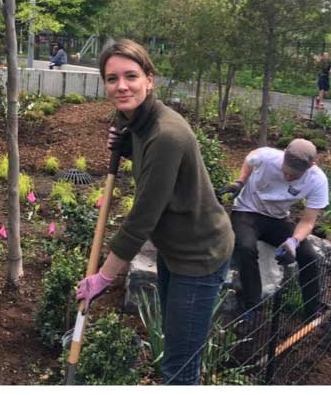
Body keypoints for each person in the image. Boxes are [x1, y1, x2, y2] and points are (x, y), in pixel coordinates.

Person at [75, 39, 234, 385]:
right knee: (181, 348)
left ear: (150, 79)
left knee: (179, 364)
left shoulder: (165, 134)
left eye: (130, 76)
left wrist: (104, 276)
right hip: (174, 249)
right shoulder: (139, 120)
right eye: (111, 78)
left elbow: (143, 217)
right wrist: (127, 144)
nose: (121, 86)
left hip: (199, 255)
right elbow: (152, 164)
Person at [221, 140, 328, 320]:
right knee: (246, 248)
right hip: (247, 211)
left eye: (294, 176)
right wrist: (240, 182)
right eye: (286, 171)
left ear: (311, 166)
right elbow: (250, 159)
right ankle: (253, 307)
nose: (288, 177)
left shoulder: (317, 180)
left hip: (277, 219)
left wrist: (294, 241)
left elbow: (308, 221)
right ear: (284, 155)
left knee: (309, 256)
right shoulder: (267, 156)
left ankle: (312, 313)